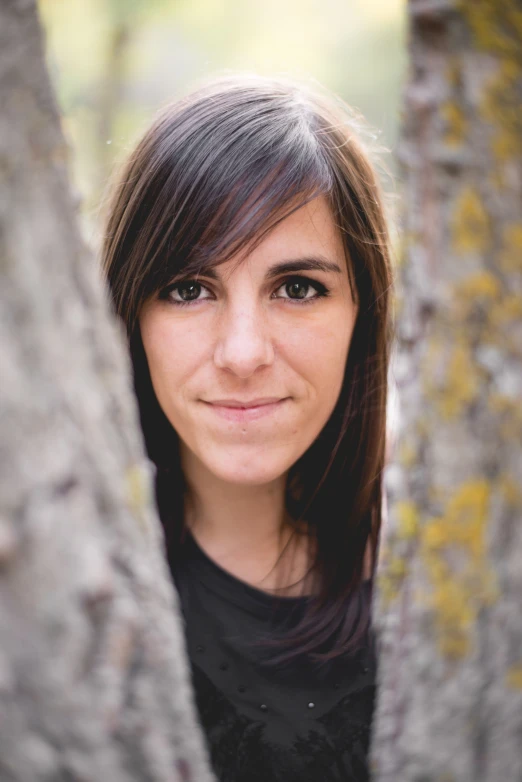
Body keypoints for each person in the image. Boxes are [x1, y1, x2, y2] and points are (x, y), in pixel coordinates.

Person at [100, 72, 395, 782]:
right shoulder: (60, 602)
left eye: (297, 288)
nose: (242, 353)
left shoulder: (473, 582)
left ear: (365, 314)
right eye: (188, 288)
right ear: (127, 314)